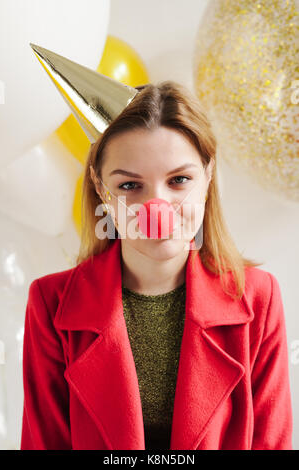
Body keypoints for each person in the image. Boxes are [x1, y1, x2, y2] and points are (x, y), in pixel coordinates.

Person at [20, 81, 293, 450]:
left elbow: (270, 442)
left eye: (179, 180)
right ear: (102, 189)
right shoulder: (51, 303)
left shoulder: (258, 298)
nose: (157, 207)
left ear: (208, 178)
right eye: (131, 186)